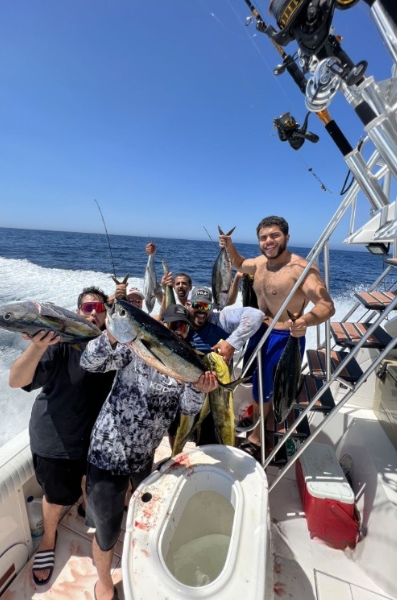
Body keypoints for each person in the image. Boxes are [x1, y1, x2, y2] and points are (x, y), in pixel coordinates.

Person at [80, 306, 218, 600]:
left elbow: (190, 409)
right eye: (172, 326)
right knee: (105, 531)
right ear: (160, 328)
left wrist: (201, 388)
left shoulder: (186, 363)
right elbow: (90, 361)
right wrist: (112, 335)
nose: (177, 331)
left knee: (138, 508)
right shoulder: (133, 349)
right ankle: (103, 582)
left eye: (183, 327)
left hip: (144, 456)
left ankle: (132, 539)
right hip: (109, 451)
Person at [8, 286, 115, 586]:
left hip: (95, 440)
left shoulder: (115, 345)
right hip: (57, 440)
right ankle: (48, 539)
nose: (93, 314)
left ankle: (84, 506)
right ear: (77, 313)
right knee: (56, 498)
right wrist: (38, 346)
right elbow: (16, 380)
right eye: (87, 308)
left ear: (107, 314)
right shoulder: (60, 344)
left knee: (89, 484)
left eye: (99, 308)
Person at [219, 215, 335, 457]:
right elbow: (239, 264)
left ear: (287, 237)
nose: (268, 241)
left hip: (284, 337)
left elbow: (326, 305)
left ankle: (257, 437)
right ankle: (260, 412)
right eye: (263, 237)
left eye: (274, 236)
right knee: (254, 378)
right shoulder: (260, 263)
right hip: (258, 329)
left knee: (266, 386)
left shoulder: (302, 269)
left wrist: (304, 321)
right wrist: (229, 246)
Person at [183, 286, 265, 445]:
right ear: (187, 304)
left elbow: (257, 314)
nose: (202, 310)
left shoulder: (220, 319)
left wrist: (232, 342)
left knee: (211, 439)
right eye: (197, 305)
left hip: (216, 391)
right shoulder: (179, 320)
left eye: (206, 306)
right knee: (181, 431)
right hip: (187, 388)